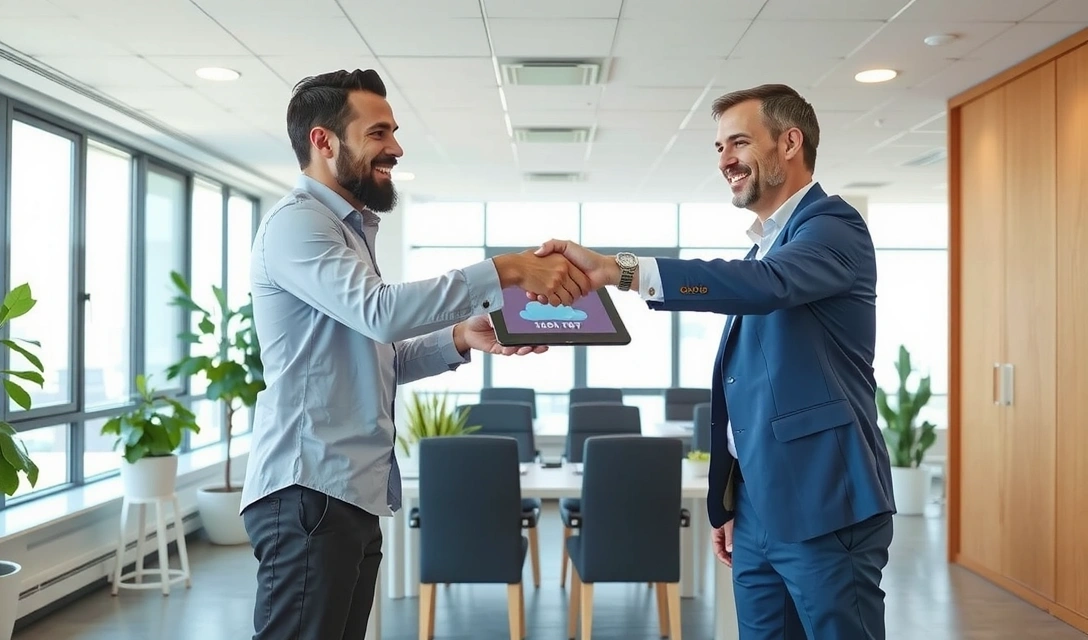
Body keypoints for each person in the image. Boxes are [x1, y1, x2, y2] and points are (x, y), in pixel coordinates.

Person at [531, 83, 895, 639]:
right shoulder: (765, 247)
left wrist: (621, 270)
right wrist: (730, 501)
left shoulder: (832, 227)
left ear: (790, 142)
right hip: (756, 509)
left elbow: (765, 286)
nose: (724, 159)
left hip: (824, 503)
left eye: (739, 142)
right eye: (719, 147)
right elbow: (749, 383)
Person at [240, 68, 590, 640]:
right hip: (309, 490)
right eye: (378, 133)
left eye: (394, 132)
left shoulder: (347, 230)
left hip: (348, 490)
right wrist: (506, 269)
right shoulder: (298, 224)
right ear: (323, 141)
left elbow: (381, 355)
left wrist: (459, 338)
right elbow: (381, 312)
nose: (396, 148)